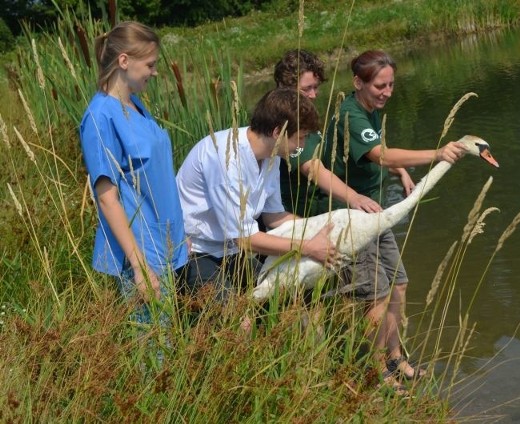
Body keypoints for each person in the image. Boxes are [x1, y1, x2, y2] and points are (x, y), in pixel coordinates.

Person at [317, 50, 467, 386]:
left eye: (391, 85)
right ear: (358, 82)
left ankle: (396, 358)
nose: (387, 92)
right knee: (376, 298)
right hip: (353, 219)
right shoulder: (351, 115)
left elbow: (379, 149)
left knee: (398, 285)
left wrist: (401, 170)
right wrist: (439, 153)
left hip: (376, 214)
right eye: (380, 86)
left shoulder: (368, 110)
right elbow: (379, 154)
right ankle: (376, 372)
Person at [176, 88, 337, 299]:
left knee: (286, 297)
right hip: (197, 251)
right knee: (235, 321)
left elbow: (273, 216)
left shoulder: (273, 154)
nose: (303, 146)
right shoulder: (226, 158)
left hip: (231, 250)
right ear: (277, 132)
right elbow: (244, 239)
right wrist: (307, 247)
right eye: (301, 137)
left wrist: (319, 228)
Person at [79, 22, 188, 327]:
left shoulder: (135, 105)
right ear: (124, 61)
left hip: (168, 244)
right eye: (150, 65)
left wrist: (180, 236)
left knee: (172, 343)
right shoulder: (100, 116)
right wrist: (139, 266)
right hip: (143, 251)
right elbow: (107, 198)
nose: (154, 72)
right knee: (155, 352)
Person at [274, 49, 382, 217]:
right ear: (284, 87)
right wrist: (354, 198)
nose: (313, 95)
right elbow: (313, 169)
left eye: (316, 87)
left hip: (324, 209)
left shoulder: (303, 114)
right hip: (301, 218)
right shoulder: (283, 121)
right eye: (306, 89)